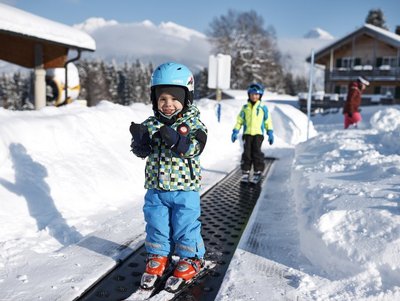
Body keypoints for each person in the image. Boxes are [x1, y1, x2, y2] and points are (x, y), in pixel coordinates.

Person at [129, 62, 208, 287]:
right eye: (162, 99)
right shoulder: (151, 123)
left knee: (185, 224)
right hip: (156, 188)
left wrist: (177, 141)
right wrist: (140, 143)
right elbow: (142, 152)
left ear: (186, 98)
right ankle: (157, 254)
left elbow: (196, 148)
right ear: (155, 100)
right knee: (156, 223)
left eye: (174, 99)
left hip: (185, 189)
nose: (168, 104)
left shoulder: (193, 123)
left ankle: (191, 257)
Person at [231, 83, 274, 183]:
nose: (254, 96)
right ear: (249, 95)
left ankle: (258, 172)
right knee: (247, 153)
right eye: (252, 94)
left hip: (258, 134)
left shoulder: (263, 108)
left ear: (260, 96)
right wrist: (235, 131)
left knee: (257, 153)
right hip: (247, 134)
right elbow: (240, 120)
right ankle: (245, 172)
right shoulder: (245, 108)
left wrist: (270, 132)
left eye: (257, 94)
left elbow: (268, 121)